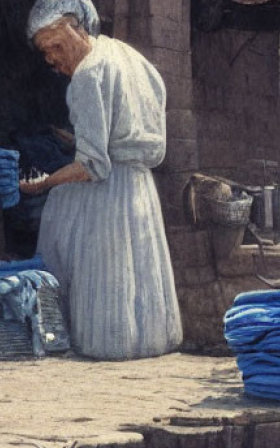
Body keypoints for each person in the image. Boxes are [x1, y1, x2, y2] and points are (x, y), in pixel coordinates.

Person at [20, 0, 183, 360]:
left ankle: (100, 343)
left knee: (64, 218)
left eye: (57, 46)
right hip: (140, 187)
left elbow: (93, 167)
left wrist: (45, 183)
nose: (52, 59)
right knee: (137, 273)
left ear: (77, 27)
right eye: (46, 53)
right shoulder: (128, 57)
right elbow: (126, 133)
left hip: (108, 196)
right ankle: (151, 343)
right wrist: (78, 140)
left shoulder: (88, 75)